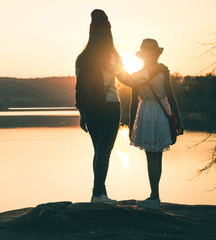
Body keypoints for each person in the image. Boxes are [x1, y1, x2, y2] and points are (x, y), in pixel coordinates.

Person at [114, 38, 184, 209]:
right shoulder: (163, 70)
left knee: (152, 157)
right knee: (157, 155)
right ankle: (155, 195)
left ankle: (154, 197)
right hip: (162, 110)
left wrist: (114, 67)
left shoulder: (140, 75)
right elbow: (170, 96)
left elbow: (132, 96)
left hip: (149, 112)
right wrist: (178, 120)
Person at [75, 9, 123, 203]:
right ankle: (97, 194)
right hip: (110, 106)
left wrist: (83, 114)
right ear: (109, 34)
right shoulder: (112, 57)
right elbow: (125, 78)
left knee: (98, 151)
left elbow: (79, 88)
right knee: (104, 152)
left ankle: (100, 193)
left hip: (91, 109)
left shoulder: (81, 58)